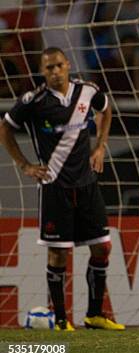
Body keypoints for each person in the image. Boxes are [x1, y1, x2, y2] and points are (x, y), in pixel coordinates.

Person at [0, 47, 124, 331]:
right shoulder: (34, 101)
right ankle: (60, 320)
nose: (55, 72)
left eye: (58, 66)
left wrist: (100, 146)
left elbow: (106, 109)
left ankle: (94, 315)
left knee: (102, 247)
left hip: (87, 184)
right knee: (58, 254)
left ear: (68, 65)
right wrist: (25, 165)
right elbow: (4, 129)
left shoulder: (88, 91)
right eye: (48, 68)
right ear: (42, 72)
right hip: (55, 186)